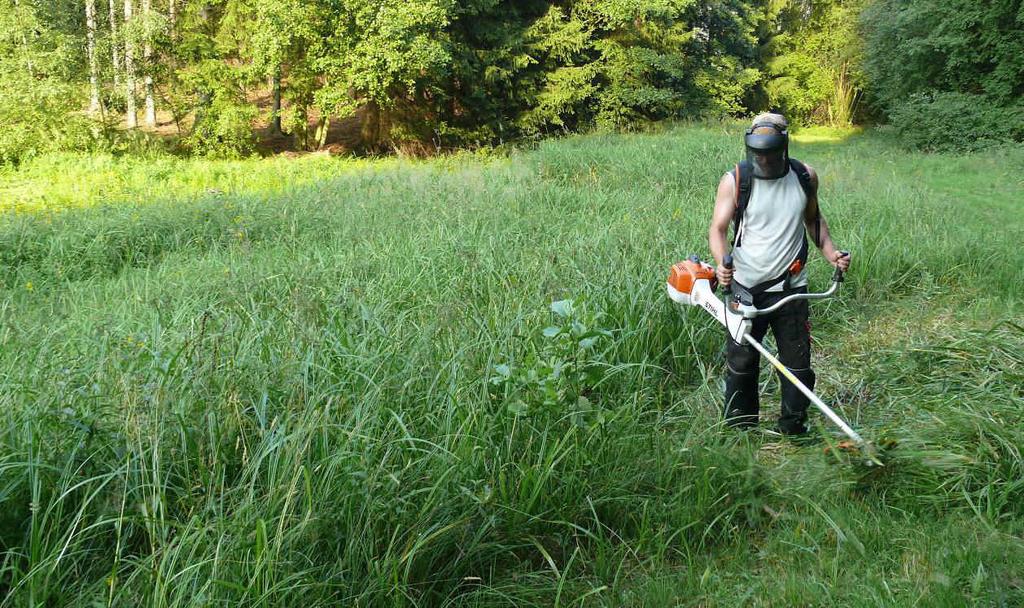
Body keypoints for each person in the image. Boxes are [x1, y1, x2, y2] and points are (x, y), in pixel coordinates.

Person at [707, 113, 851, 436]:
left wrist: (832, 254)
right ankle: (740, 431)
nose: (764, 159)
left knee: (797, 364)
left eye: (771, 153)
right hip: (745, 290)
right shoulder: (736, 180)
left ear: (783, 147)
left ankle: (793, 428)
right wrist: (722, 262)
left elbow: (814, 221)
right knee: (742, 363)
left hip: (791, 289)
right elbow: (717, 230)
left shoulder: (804, 176)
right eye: (758, 153)